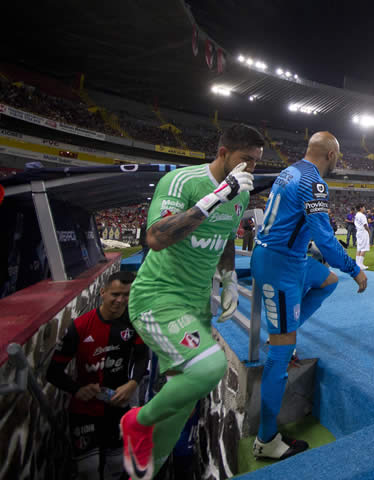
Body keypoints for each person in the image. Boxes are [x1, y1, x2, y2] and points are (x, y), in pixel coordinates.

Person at [120, 124, 260, 480]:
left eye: (257, 163)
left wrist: (228, 278)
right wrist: (216, 198)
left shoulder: (240, 194)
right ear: (224, 153)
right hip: (158, 298)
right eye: (246, 160)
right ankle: (136, 421)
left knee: (184, 398)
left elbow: (226, 238)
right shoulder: (183, 182)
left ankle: (146, 469)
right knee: (208, 368)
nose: (251, 170)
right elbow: (155, 237)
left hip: (196, 304)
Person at [252, 131, 367, 459]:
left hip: (288, 259)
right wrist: (354, 269)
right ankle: (266, 439)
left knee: (327, 282)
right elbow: (327, 243)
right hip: (281, 266)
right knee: (280, 354)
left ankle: (286, 332)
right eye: (339, 157)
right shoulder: (314, 183)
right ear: (331, 154)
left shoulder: (290, 171)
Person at [47, 271, 148, 480]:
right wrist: (77, 390)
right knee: (88, 470)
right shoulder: (80, 326)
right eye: (116, 294)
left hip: (118, 406)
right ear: (103, 292)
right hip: (85, 409)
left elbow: (141, 358)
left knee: (115, 466)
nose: (120, 300)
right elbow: (53, 372)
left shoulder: (135, 323)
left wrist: (132, 384)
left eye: (127, 295)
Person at [354, 204, 370, 269]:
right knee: (364, 248)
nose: (364, 208)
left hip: (358, 232)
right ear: (361, 208)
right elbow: (365, 225)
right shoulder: (362, 215)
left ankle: (357, 264)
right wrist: (369, 231)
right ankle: (360, 265)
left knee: (359, 248)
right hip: (363, 232)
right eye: (363, 207)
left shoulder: (356, 215)